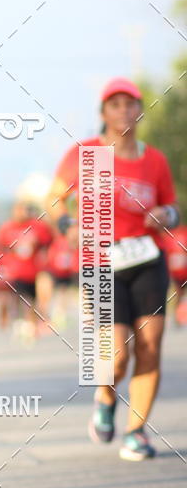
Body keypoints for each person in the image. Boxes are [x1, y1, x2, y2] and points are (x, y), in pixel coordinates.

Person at [48, 78, 180, 461]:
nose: (123, 110)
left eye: (130, 103)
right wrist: (67, 225)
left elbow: (173, 206)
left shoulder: (153, 159)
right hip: (99, 261)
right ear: (103, 112)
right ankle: (106, 395)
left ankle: (137, 432)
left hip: (146, 259)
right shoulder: (86, 153)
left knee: (151, 345)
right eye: (115, 104)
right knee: (115, 355)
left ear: (140, 110)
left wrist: (165, 214)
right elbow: (54, 198)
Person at [0, 201, 53, 341]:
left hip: (34, 270)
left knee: (33, 300)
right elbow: (1, 247)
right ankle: (22, 323)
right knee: (20, 298)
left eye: (24, 210)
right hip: (16, 271)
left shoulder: (37, 226)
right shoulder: (7, 228)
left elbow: (48, 242)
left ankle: (32, 324)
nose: (22, 213)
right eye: (18, 210)